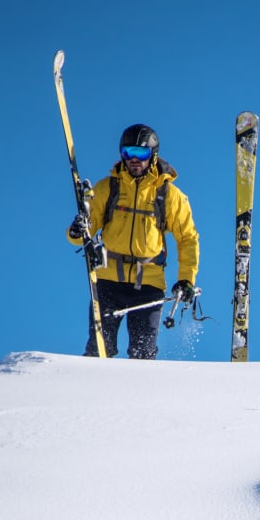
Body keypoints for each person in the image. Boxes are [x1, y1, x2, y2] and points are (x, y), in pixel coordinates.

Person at [67, 123, 199, 359]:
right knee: (99, 350)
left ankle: (140, 395)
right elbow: (87, 227)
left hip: (148, 284)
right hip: (107, 282)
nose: (134, 160)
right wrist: (77, 232)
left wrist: (186, 279)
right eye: (129, 153)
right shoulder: (108, 188)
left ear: (153, 155)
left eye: (141, 154)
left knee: (143, 354)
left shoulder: (168, 195)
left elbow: (187, 238)